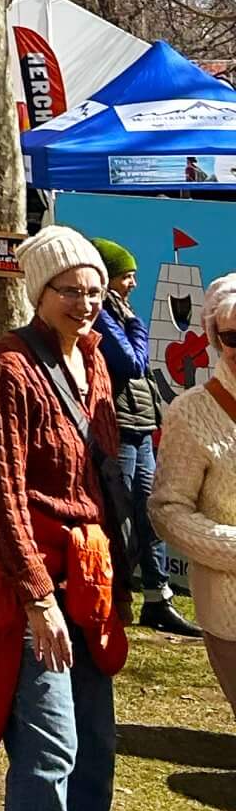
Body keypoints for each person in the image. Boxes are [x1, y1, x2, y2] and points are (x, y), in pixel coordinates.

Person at [0, 228, 127, 811]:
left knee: (96, 751)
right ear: (39, 291)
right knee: (51, 753)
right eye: (70, 290)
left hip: (89, 581)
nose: (85, 301)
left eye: (94, 290)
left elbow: (101, 480)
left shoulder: (93, 358)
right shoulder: (6, 371)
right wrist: (37, 598)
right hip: (29, 587)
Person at [93, 237, 196, 637]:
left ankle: (158, 596)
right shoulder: (105, 313)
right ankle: (114, 594)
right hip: (118, 424)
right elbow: (133, 363)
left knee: (150, 513)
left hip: (139, 422)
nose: (134, 283)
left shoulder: (118, 309)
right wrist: (135, 325)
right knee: (119, 515)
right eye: (127, 275)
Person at [152, 267, 236, 711]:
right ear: (215, 338)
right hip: (230, 606)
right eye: (234, 337)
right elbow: (167, 509)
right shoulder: (192, 413)